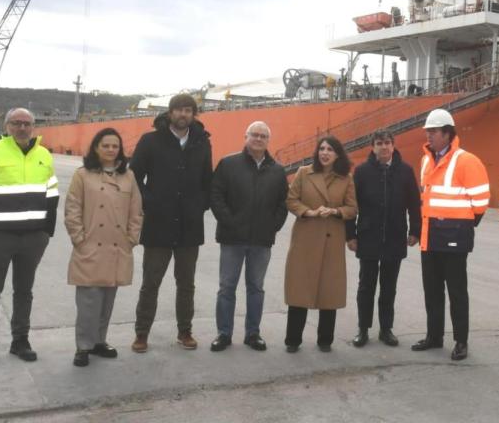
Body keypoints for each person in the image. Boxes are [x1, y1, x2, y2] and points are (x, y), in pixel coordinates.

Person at [0, 108, 59, 366]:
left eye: (27, 123)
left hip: (34, 238)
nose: (22, 128)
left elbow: (52, 194)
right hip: (0, 237)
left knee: (24, 291)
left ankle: (20, 340)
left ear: (33, 126)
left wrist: (47, 231)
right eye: (16, 123)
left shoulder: (44, 155)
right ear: (7, 126)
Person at [129, 94, 213, 352]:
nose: (183, 114)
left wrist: (199, 205)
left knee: (186, 284)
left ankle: (185, 332)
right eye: (178, 109)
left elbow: (207, 180)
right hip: (158, 224)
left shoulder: (202, 143)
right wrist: (150, 202)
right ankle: (141, 333)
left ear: (194, 114)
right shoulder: (150, 141)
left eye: (188, 110)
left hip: (189, 226)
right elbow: (134, 177)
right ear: (170, 113)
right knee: (150, 283)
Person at [411, 109, 489, 361]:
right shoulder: (426, 161)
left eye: (433, 132)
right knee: (432, 291)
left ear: (447, 133)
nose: (428, 136)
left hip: (454, 238)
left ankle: (461, 341)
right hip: (429, 236)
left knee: (457, 292)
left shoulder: (467, 161)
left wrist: (460, 225)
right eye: (427, 132)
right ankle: (434, 336)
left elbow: (481, 203)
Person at [63, 128, 143, 367]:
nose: (110, 150)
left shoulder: (128, 176)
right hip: (90, 245)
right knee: (88, 301)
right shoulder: (83, 175)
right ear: (96, 148)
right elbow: (72, 208)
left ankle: (99, 341)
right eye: (106, 145)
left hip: (117, 247)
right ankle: (83, 346)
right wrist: (79, 238)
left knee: (107, 299)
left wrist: (131, 238)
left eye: (115, 146)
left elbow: (136, 211)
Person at [209, 121, 289, 352]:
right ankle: (224, 334)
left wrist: (272, 227)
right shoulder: (228, 164)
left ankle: (252, 334)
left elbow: (283, 203)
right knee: (227, 288)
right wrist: (230, 222)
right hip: (232, 238)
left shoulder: (277, 170)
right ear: (246, 137)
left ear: (268, 140)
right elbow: (216, 195)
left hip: (261, 241)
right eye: (254, 134)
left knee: (256, 288)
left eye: (263, 136)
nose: (258, 139)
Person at [346, 129, 421, 348]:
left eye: (387, 142)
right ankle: (363, 329)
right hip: (368, 236)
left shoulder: (406, 171)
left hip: (395, 236)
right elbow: (351, 205)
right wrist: (350, 235)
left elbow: (414, 203)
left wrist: (415, 230)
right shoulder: (361, 172)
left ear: (393, 145)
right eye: (379, 143)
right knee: (366, 287)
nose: (384, 147)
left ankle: (386, 329)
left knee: (389, 287)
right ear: (373, 147)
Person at [283, 136, 357, 352]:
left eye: (330, 150)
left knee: (329, 292)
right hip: (305, 238)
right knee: (299, 289)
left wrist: (335, 211)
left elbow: (352, 208)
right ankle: (293, 340)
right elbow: (291, 200)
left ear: (338, 154)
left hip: (331, 240)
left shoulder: (346, 178)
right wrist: (309, 212)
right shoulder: (303, 173)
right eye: (322, 149)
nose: (325, 153)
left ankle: (325, 340)